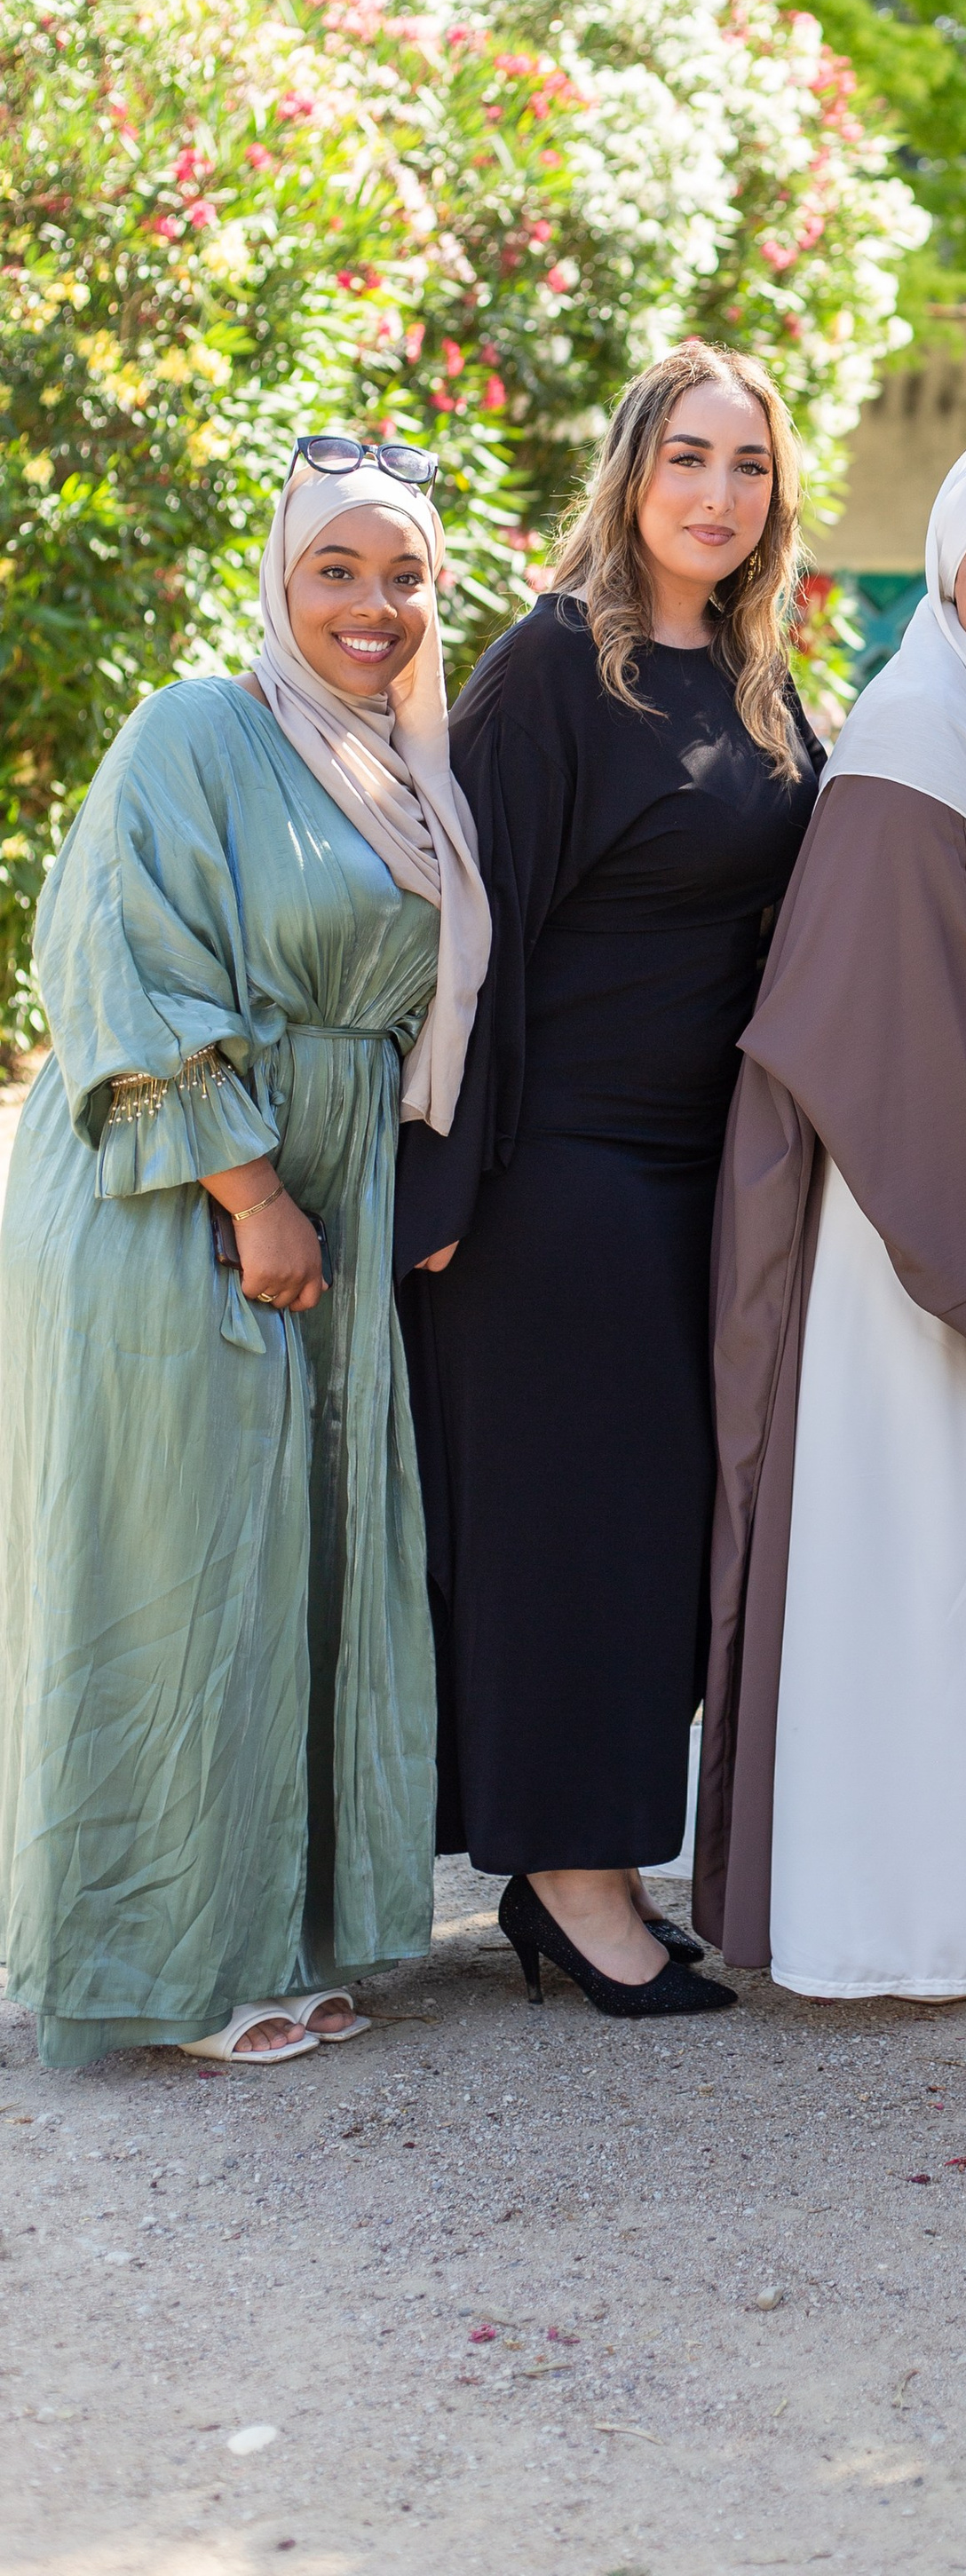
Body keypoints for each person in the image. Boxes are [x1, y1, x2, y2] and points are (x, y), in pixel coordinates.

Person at [0, 443, 488, 2066]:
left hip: (330, 1197)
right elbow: (123, 957)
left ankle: (268, 1933)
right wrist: (254, 1193)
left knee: (289, 1564)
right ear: (279, 580)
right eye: (336, 569)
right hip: (189, 1197)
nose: (374, 604)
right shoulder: (195, 729)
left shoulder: (410, 773)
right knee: (183, 1566)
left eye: (405, 573)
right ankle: (165, 1963)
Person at [397, 343, 820, 2020]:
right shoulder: (556, 668)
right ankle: (575, 1885)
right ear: (632, 473)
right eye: (688, 460)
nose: (719, 497)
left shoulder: (769, 673)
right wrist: (444, 1195)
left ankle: (585, 1867)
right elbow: (464, 946)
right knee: (575, 1529)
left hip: (695, 1171)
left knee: (651, 1530)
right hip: (553, 1170)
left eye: (750, 468)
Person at [697, 441, 966, 1997]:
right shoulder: (917, 736)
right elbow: (865, 1029)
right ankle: (891, 1909)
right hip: (901, 1231)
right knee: (909, 1550)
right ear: (943, 565)